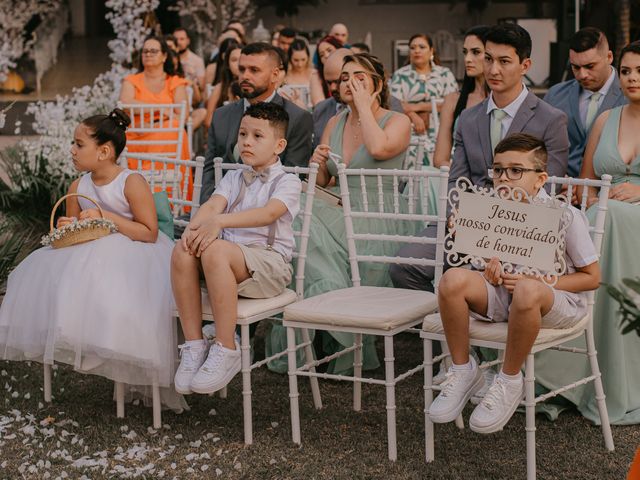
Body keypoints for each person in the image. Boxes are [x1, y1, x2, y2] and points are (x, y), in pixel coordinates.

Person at [0, 109, 185, 411]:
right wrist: (66, 226)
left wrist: (106, 217)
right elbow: (76, 228)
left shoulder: (130, 181)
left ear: (104, 151)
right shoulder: (78, 186)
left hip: (136, 251)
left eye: (78, 144)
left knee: (105, 279)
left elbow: (149, 232)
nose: (72, 150)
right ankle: (73, 337)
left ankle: (121, 350)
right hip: (89, 251)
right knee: (44, 271)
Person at [429, 133, 600, 433]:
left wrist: (539, 281)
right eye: (498, 170)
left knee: (527, 288)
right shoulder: (490, 211)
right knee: (452, 279)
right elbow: (483, 268)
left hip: (553, 301)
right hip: (503, 298)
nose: (504, 178)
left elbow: (592, 278)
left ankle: (509, 379)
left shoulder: (565, 216)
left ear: (540, 179)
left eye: (516, 171)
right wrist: (488, 272)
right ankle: (463, 369)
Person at [390, 23, 569, 292]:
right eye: (488, 59)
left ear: (525, 65)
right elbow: (456, 180)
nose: (493, 70)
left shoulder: (551, 120)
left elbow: (547, 189)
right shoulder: (468, 119)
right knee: (404, 266)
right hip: (466, 226)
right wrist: (456, 214)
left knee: (494, 284)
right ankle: (440, 328)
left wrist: (496, 226)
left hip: (521, 233)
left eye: (504, 61)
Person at [267, 53, 413, 375]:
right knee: (296, 212)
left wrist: (363, 108)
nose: (349, 83)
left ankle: (333, 316)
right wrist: (318, 162)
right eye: (344, 77)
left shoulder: (397, 120)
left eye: (359, 77)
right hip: (336, 208)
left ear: (378, 83)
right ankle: (326, 295)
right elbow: (322, 181)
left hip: (377, 218)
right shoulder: (334, 122)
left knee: (303, 224)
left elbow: (378, 149)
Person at [535, 41, 640, 425]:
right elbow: (585, 183)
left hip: (633, 219)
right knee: (593, 218)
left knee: (609, 220)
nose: (632, 78)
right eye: (627, 71)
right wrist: (595, 198)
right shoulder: (605, 120)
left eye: (639, 71)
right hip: (606, 216)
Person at [172, 102, 301, 395]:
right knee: (182, 249)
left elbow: (268, 214)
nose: (246, 141)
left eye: (257, 136)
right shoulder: (233, 177)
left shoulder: (289, 182)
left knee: (216, 250)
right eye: (243, 134)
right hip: (225, 264)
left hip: (268, 267)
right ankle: (193, 346)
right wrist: (196, 228)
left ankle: (227, 347)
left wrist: (218, 222)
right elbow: (212, 206)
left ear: (279, 145)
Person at [201, 42, 313, 202]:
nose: (245, 76)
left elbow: (293, 176)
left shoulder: (297, 118)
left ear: (275, 75)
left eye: (254, 70)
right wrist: (207, 211)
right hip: (218, 207)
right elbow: (209, 171)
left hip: (267, 213)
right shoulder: (221, 115)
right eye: (242, 69)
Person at [544, 27, 626, 178]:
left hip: (610, 191)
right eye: (575, 67)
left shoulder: (630, 96)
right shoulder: (555, 95)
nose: (582, 74)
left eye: (590, 66)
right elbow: (540, 149)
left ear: (609, 57)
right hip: (558, 190)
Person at [119, 35, 193, 197]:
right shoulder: (131, 80)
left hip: (166, 137)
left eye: (153, 51)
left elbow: (183, 115)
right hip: (137, 136)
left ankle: (164, 197)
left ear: (164, 56)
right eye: (145, 51)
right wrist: (163, 109)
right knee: (172, 126)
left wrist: (146, 109)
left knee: (174, 127)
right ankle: (143, 195)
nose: (148, 54)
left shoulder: (175, 81)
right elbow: (126, 103)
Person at [390, 33, 459, 166]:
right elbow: (395, 103)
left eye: (422, 47)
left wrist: (416, 106)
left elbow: (451, 103)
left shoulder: (444, 74)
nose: (417, 51)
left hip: (441, 130)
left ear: (431, 51)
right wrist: (413, 116)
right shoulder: (400, 75)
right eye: (413, 47)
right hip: (411, 130)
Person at [433, 26, 490, 168]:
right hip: (458, 178)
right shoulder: (453, 100)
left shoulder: (503, 100)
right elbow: (439, 159)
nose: (467, 59)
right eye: (465, 52)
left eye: (476, 52)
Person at [312, 48, 352, 147]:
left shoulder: (385, 106)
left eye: (338, 81)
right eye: (328, 83)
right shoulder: (320, 109)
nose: (333, 88)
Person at [204, 40, 242, 129]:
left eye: (241, 59)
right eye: (234, 60)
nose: (238, 64)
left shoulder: (254, 87)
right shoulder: (220, 88)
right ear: (228, 64)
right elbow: (208, 121)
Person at [281, 39, 323, 111]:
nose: (300, 64)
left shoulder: (315, 74)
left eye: (303, 59)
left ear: (308, 57)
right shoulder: (284, 75)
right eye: (296, 60)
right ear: (290, 58)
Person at [311, 35, 344, 106]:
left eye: (329, 50)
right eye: (321, 55)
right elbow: (319, 105)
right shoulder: (316, 76)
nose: (326, 56)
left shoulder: (351, 69)